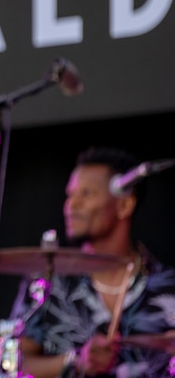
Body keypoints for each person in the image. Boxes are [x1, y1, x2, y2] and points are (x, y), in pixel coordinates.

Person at [9, 146, 175, 377]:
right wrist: (74, 362)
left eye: (87, 194)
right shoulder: (48, 280)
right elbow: (12, 364)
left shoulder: (167, 286)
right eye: (70, 194)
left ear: (124, 205)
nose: (71, 205)